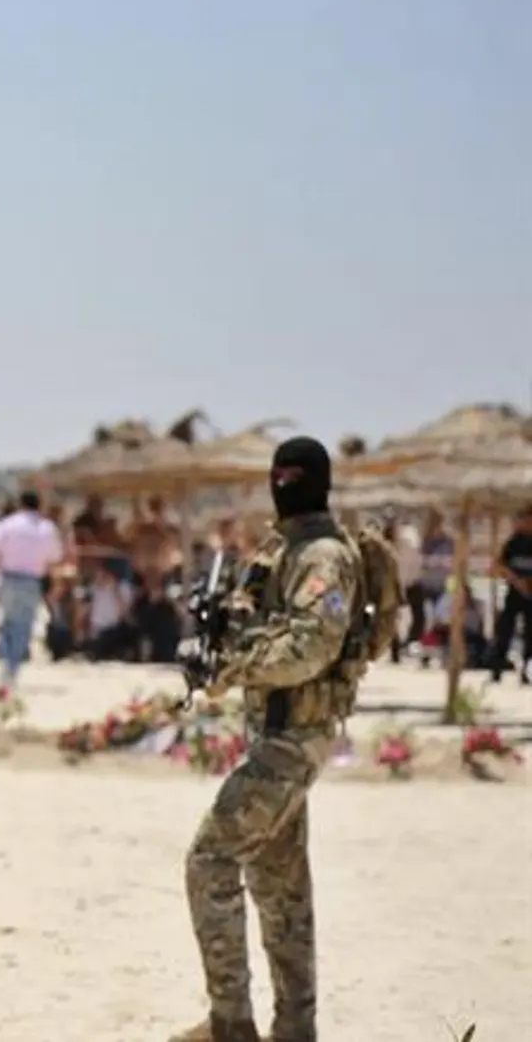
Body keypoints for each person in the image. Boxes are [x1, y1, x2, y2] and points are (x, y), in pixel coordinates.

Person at [172, 436, 381, 1042]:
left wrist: (233, 667)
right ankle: (296, 1029)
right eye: (279, 473)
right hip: (277, 733)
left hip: (296, 737)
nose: (283, 482)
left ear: (316, 481)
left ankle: (230, 1025)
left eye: (294, 474)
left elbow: (311, 645)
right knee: (280, 886)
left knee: (210, 859)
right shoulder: (286, 548)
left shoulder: (322, 556)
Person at [0, 490, 66, 686]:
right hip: (31, 580)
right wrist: (56, 583)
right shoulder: (47, 528)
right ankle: (13, 666)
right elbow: (55, 558)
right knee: (24, 624)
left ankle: (7, 662)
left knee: (7, 621)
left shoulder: (8, 524)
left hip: (8, 578)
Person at [489, 504, 532, 685]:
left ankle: (526, 670)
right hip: (514, 593)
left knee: (530, 634)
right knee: (505, 629)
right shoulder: (514, 542)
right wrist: (515, 580)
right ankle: (497, 667)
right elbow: (498, 566)